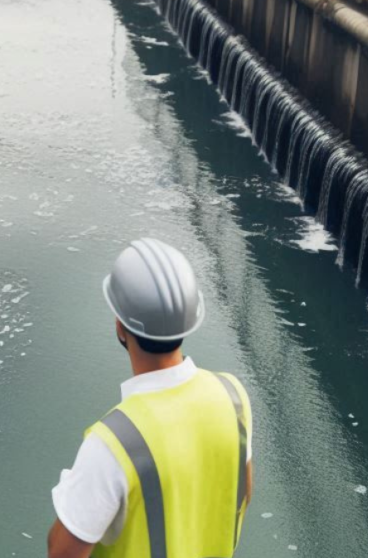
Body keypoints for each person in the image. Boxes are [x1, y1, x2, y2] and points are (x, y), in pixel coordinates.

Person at [48, 239, 253, 558]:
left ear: (120, 326)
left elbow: (61, 553)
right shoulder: (233, 397)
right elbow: (242, 496)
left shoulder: (112, 445)